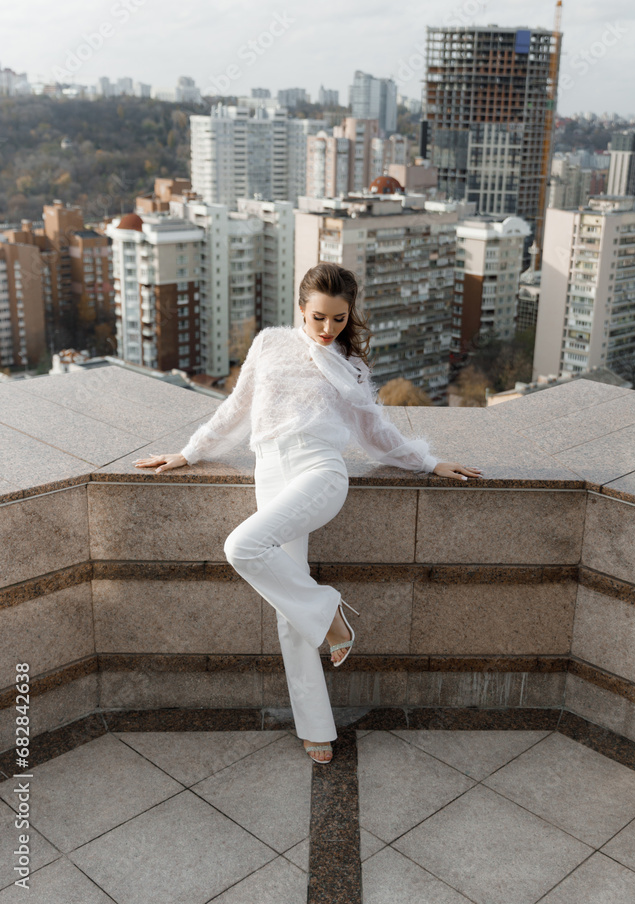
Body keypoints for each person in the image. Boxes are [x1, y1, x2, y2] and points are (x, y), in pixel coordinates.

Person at [132, 264, 482, 763]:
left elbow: (375, 429)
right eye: (318, 317)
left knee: (241, 546)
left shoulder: (349, 365)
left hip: (321, 471)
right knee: (287, 610)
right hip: (270, 471)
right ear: (301, 308)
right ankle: (317, 722)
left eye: (339, 319)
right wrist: (189, 453)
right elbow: (236, 407)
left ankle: (328, 612)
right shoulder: (269, 345)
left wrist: (428, 461)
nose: (327, 329)